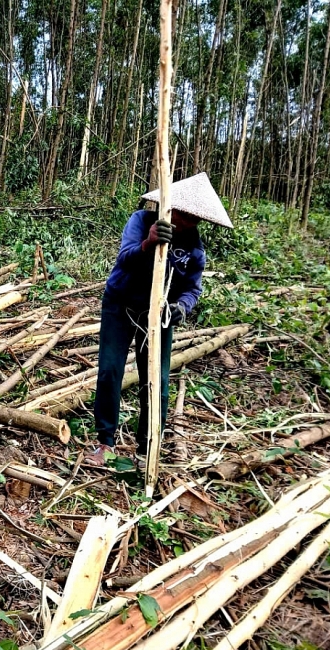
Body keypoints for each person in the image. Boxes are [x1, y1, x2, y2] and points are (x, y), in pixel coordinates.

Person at [85, 172, 233, 466]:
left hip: (159, 313)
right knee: (110, 370)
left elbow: (192, 289)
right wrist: (148, 243)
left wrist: (182, 307)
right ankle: (105, 441)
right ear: (170, 205)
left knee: (156, 380)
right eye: (183, 215)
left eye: (194, 219)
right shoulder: (141, 221)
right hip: (120, 304)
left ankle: (147, 446)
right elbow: (124, 258)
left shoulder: (194, 249)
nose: (186, 222)